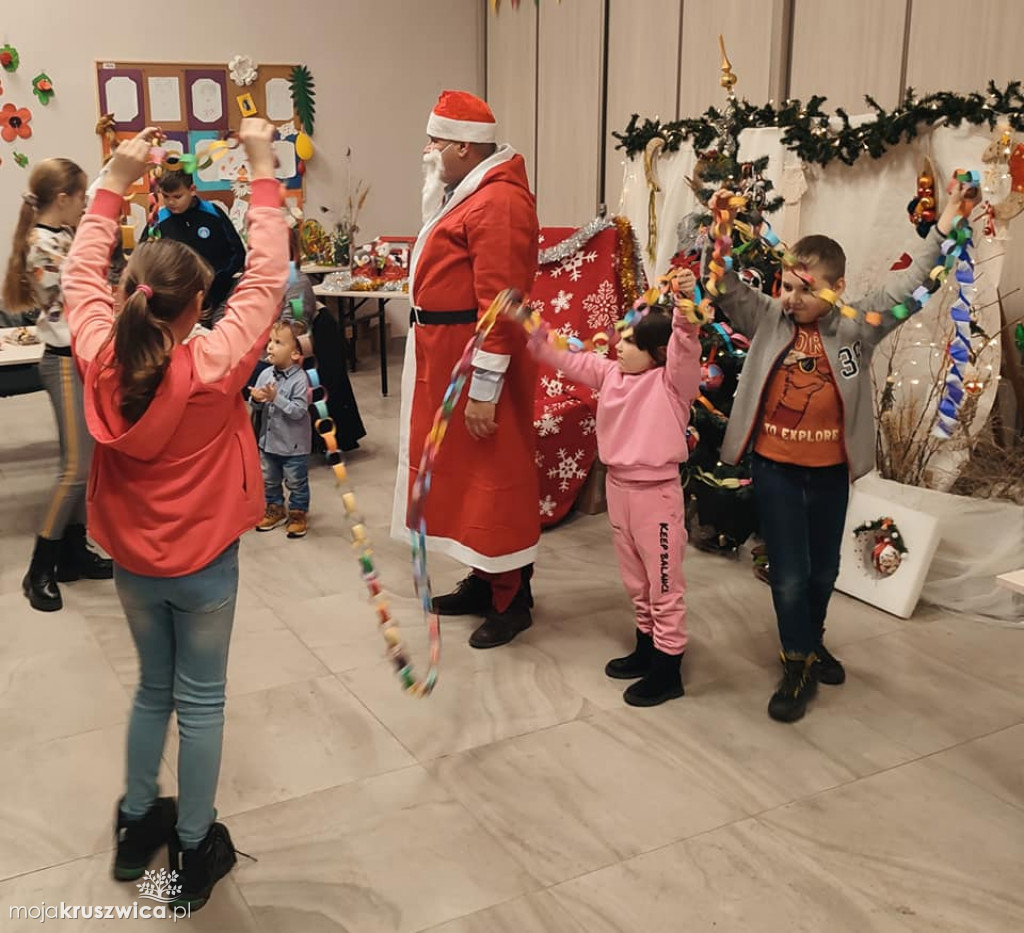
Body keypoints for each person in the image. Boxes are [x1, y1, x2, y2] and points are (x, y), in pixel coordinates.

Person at [62, 118, 288, 909]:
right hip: (203, 566)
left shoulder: (97, 350)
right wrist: (262, 164)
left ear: (132, 293)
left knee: (152, 687)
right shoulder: (217, 363)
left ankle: (134, 822)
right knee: (201, 700)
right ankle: (192, 848)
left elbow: (78, 277)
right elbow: (265, 277)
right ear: (198, 306)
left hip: (130, 560)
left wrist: (112, 180)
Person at [706, 183, 969, 722]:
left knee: (824, 569)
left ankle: (812, 638)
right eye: (786, 285)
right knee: (790, 572)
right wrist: (722, 227)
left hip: (829, 474)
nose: (791, 298)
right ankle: (795, 661)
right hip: (775, 467)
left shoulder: (856, 323)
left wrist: (943, 225)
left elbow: (911, 282)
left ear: (838, 287)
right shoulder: (768, 318)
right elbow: (726, 285)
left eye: (805, 289)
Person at [391, 90, 540, 649]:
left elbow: (500, 301)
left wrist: (484, 387)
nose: (427, 149)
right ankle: (483, 578)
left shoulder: (499, 203)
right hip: (445, 353)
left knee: (492, 478)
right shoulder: (466, 193)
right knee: (463, 478)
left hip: (475, 362)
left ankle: (512, 596)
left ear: (461, 145)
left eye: (435, 140)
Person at [529, 294, 701, 705]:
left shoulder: (672, 384)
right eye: (620, 339)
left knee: (663, 585)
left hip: (656, 497)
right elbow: (566, 356)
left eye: (629, 343)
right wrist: (527, 323)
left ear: (658, 354)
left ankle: (668, 667)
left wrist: (685, 314)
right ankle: (646, 648)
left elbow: (686, 347)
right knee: (635, 581)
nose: (618, 347)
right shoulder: (611, 375)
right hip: (619, 490)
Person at [2, 156, 113, 612]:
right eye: (81, 196)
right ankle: (39, 569)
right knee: (73, 470)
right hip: (64, 362)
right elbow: (75, 296)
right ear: (63, 199)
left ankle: (72, 553)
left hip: (82, 361)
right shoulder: (41, 247)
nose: (86, 204)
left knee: (86, 466)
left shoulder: (60, 235)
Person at [147, 170, 246, 324]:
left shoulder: (213, 212)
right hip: (177, 302)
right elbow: (144, 257)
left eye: (177, 196)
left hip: (217, 297)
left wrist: (216, 283)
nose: (171, 202)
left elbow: (238, 253)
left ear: (192, 190)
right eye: (166, 196)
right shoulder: (159, 220)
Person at [251, 319, 312, 538]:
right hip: (269, 442)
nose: (270, 347)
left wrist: (276, 398)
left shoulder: (300, 380)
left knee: (296, 480)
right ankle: (275, 507)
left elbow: (298, 411)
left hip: (294, 445)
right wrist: (257, 399)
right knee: (269, 478)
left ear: (295, 354)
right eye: (270, 341)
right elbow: (256, 407)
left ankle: (298, 512)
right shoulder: (265, 375)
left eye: (278, 342)